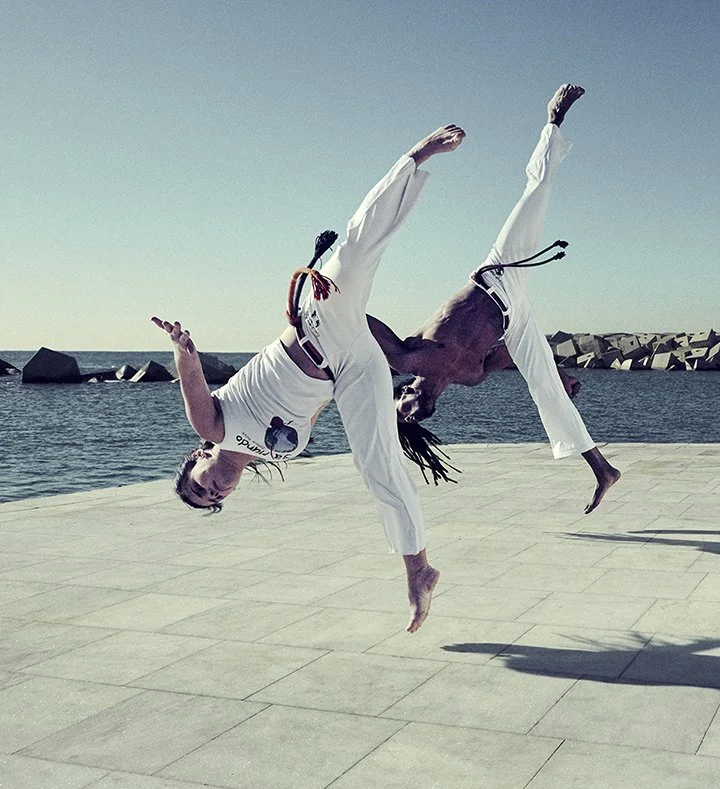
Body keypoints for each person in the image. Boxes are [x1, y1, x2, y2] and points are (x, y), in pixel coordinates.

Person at [151, 123, 467, 633]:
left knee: (358, 249)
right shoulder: (277, 454)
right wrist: (374, 404)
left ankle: (418, 154)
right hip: (349, 368)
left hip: (320, 326)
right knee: (377, 465)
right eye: (213, 500)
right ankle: (419, 570)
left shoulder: (213, 428)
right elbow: (314, 406)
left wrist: (183, 351)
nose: (215, 492)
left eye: (202, 486)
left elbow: (191, 382)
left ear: (196, 459)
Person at [366, 84, 621, 514]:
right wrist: (559, 375)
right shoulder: (470, 377)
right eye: (409, 422)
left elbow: (362, 321)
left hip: (499, 274)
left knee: (536, 192)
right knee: (545, 387)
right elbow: (512, 359)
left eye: (401, 411)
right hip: (514, 316)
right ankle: (602, 469)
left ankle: (553, 120)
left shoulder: (409, 358)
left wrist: (325, 304)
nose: (410, 415)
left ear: (403, 391)